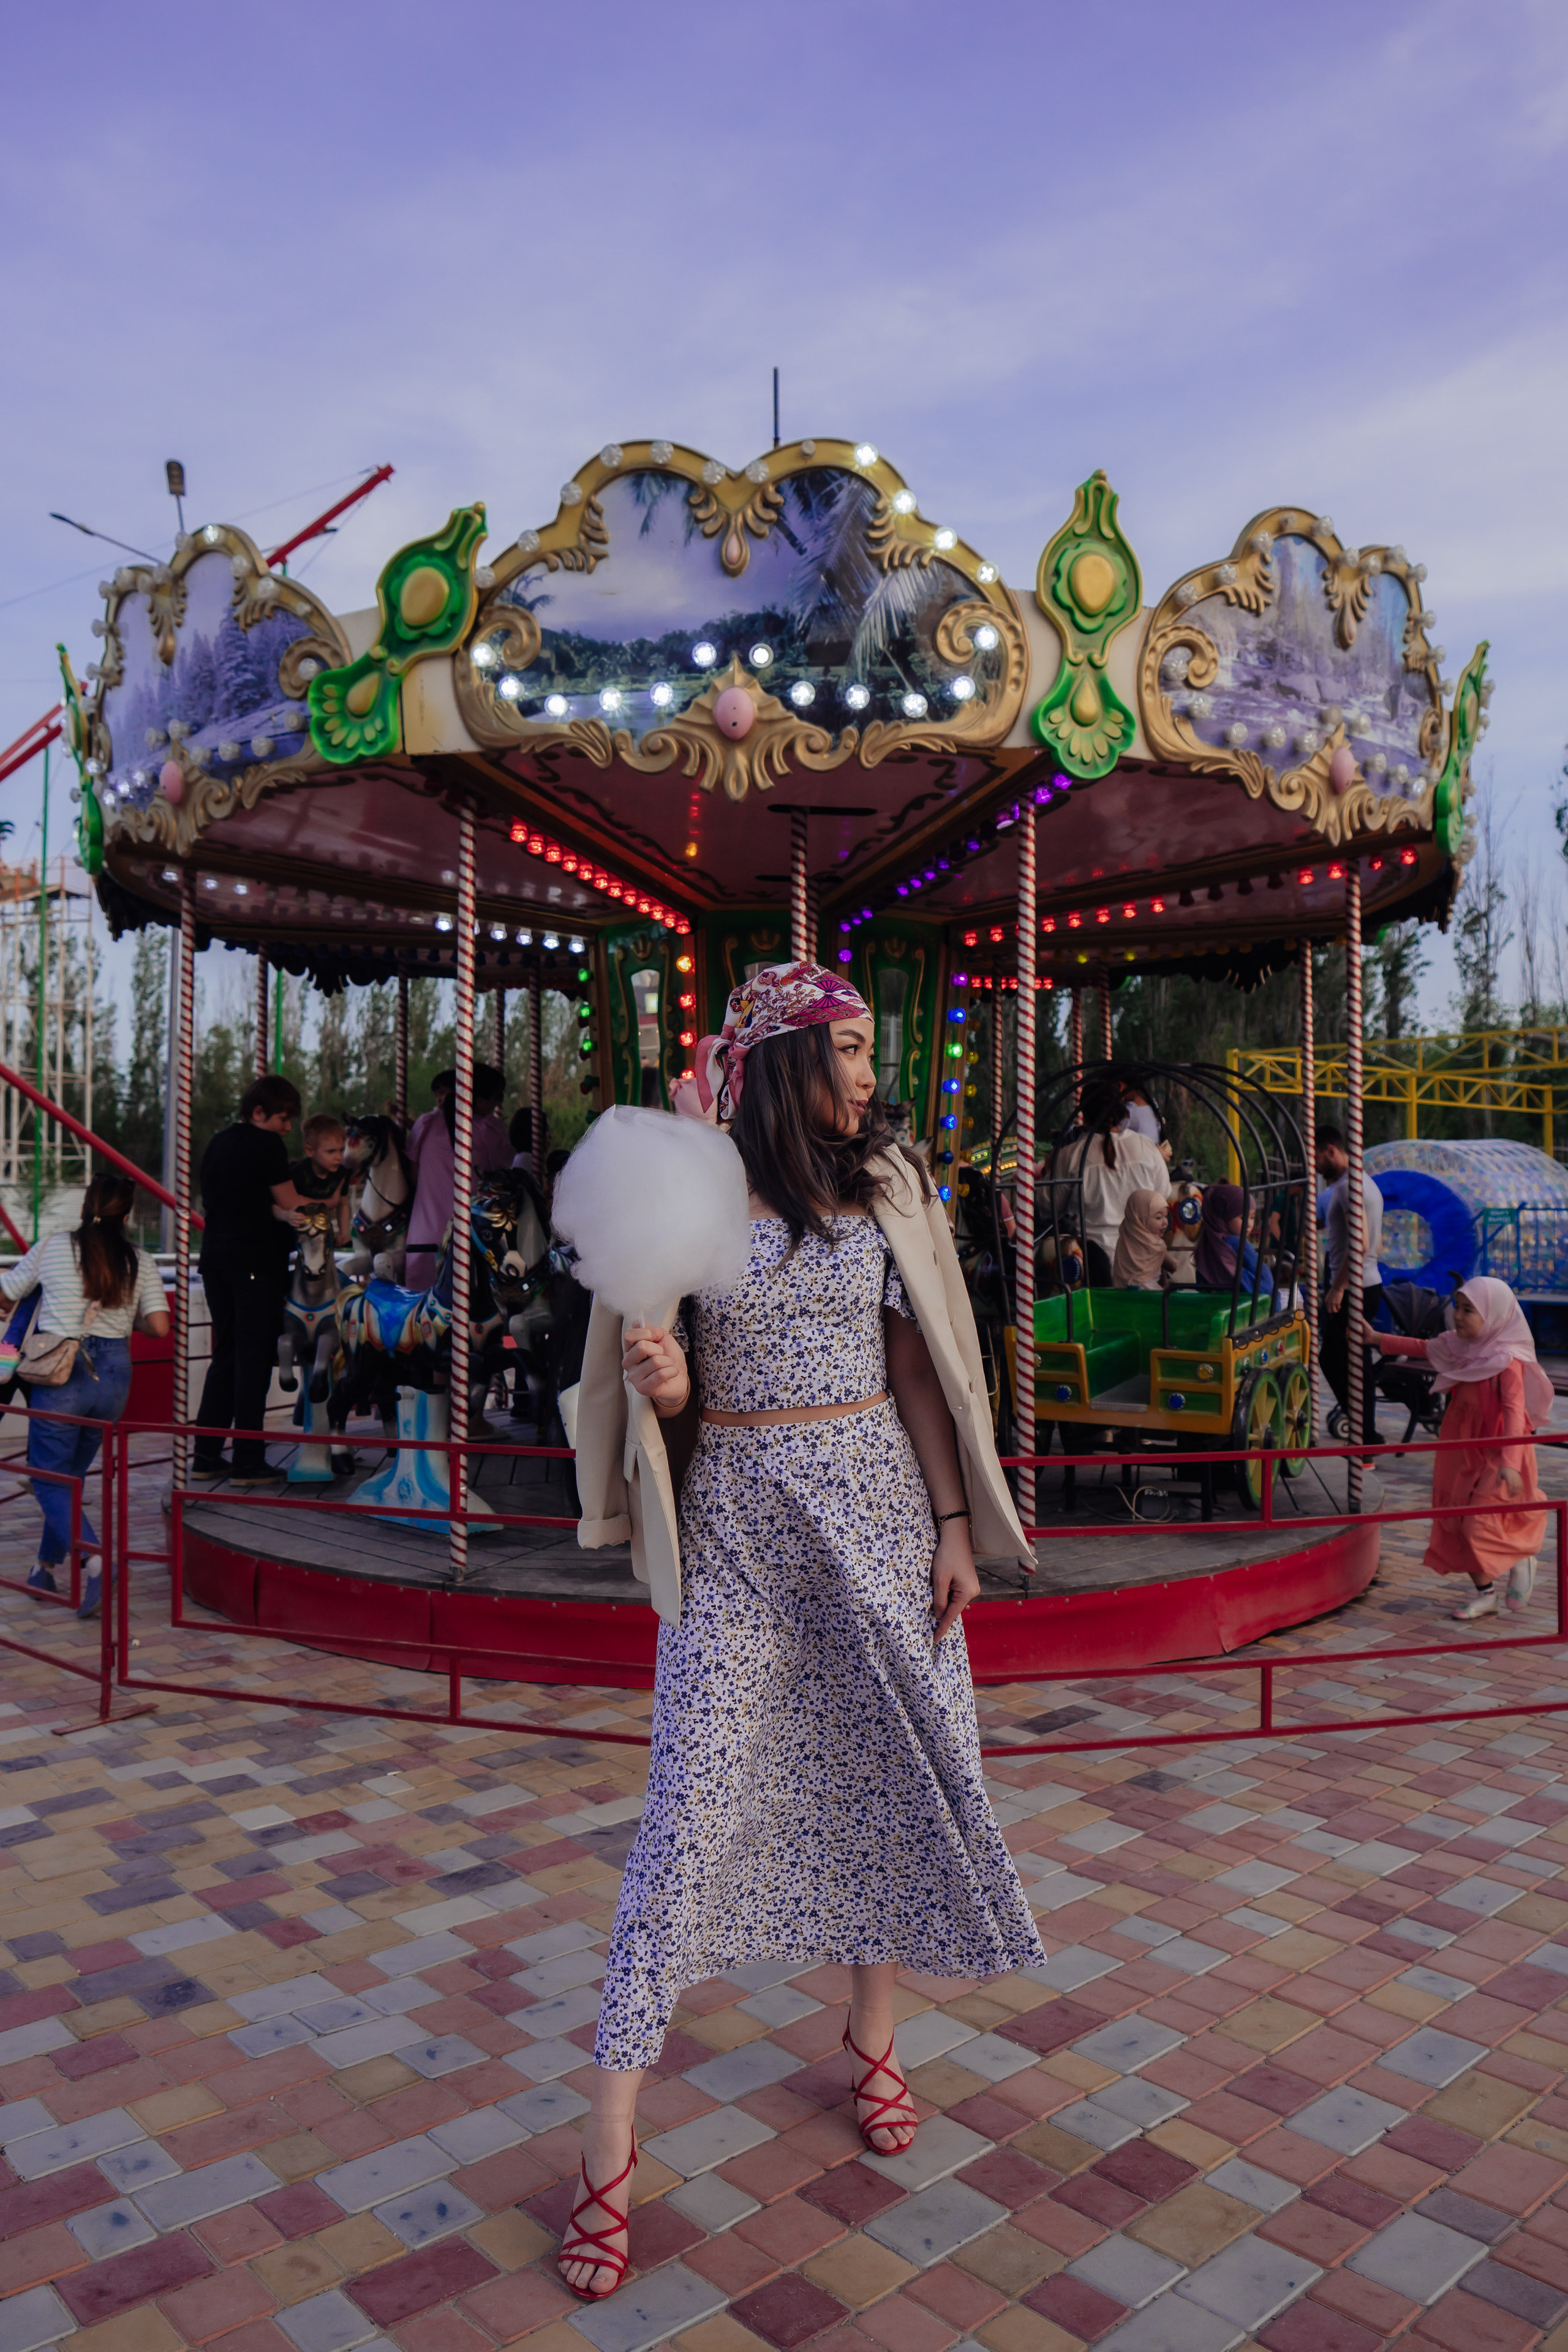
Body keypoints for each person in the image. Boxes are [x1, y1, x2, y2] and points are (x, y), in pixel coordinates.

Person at [559, 963, 1042, 2299]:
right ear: (787, 1061)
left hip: (878, 1511)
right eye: (851, 1049)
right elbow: (659, 1377)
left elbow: (918, 1365)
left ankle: (872, 2039)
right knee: (686, 1816)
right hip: (740, 1527)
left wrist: (953, 1524)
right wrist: (664, 1381)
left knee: (883, 1775)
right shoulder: (697, 1194)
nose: (872, 1073)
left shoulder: (886, 1183)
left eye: (872, 1050)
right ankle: (607, 2136)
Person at [0, 1174, 170, 1616]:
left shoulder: (53, 1247)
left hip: (62, 1372)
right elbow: (159, 1327)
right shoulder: (140, 1260)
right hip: (114, 1377)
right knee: (68, 1480)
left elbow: (6, 1296)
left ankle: (97, 1562)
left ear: (84, 1208)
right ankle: (43, 1569)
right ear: (126, 1217)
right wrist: (124, 1320)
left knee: (48, 1479)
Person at [1358, 1278, 1551, 1621]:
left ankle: (1522, 1555)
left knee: (1480, 1523)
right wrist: (1376, 1339)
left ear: (1493, 1316)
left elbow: (1513, 1413)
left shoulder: (1507, 1360)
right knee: (1456, 1518)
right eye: (1458, 1308)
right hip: (1462, 1444)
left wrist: (1509, 1462)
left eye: (1469, 1310)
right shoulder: (1462, 1346)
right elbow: (1424, 1346)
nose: (1458, 1316)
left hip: (1501, 1451)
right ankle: (1486, 1594)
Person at [193, 1076, 306, 1487]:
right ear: (259, 1113)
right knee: (254, 1359)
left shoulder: (218, 1142)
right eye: (283, 1118)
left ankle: (206, 1454)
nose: (287, 1128)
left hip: (216, 1260)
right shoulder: (266, 1145)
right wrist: (332, 1201)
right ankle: (248, 1460)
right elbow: (289, 1202)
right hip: (255, 1260)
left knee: (226, 1355)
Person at [1048, 1079, 1170, 1284]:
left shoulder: (1071, 1156)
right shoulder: (1147, 1148)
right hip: (1143, 1263)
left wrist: (1049, 1170)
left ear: (1085, 1113)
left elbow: (1048, 1205)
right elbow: (1163, 1194)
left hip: (1091, 1267)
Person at [404, 1063, 511, 1291]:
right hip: (472, 1239)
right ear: (479, 1100)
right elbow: (506, 1176)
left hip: (424, 1239)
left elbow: (412, 1176)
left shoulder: (425, 1124)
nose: (496, 1105)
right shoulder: (488, 1130)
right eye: (496, 1098)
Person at [1317, 1127, 1384, 1444]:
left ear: (1331, 1150)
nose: (1315, 1167)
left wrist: (1338, 1287)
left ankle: (1365, 1434)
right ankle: (1365, 1434)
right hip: (1366, 1283)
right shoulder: (1365, 1182)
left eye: (1316, 1158)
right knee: (1355, 1363)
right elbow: (1376, 1244)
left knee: (1335, 1359)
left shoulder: (1348, 1188)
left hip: (1356, 1288)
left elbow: (1361, 1243)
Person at [1194, 1182, 1275, 1298]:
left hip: (1215, 1300)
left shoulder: (1206, 1243)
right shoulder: (1237, 1243)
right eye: (1242, 1218)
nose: (1249, 1224)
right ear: (1224, 1216)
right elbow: (1261, 1273)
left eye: (1252, 1218)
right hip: (1244, 1299)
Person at [290, 1114, 351, 1248]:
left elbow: (343, 1204)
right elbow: (285, 1202)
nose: (339, 1157)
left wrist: (344, 1232)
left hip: (322, 1229)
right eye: (331, 1152)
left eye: (341, 1150)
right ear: (310, 1151)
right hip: (295, 1230)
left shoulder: (341, 1173)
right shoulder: (298, 1173)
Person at [1113, 1188, 1176, 1289]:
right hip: (1148, 1292)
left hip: (1122, 1290)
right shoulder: (1156, 1245)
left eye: (1166, 1216)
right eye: (1159, 1218)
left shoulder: (1124, 1239)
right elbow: (1173, 1266)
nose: (1165, 1222)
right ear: (1140, 1219)